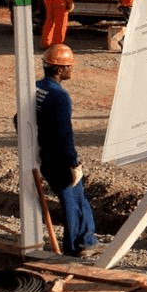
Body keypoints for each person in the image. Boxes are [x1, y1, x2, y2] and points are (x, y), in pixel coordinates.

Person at [34, 43, 103, 257]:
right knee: (72, 201)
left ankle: (86, 240)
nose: (71, 70)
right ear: (59, 69)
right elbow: (64, 133)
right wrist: (72, 161)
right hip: (58, 157)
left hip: (43, 153)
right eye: (69, 66)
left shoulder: (37, 88)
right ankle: (76, 247)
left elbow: (20, 119)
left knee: (77, 198)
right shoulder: (59, 96)